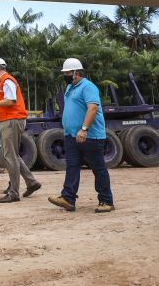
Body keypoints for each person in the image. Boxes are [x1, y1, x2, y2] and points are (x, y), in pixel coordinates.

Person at [47, 58, 114, 213]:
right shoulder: (70, 88)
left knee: (98, 168)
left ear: (77, 72)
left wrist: (84, 129)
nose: (66, 75)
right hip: (71, 135)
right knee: (72, 167)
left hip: (89, 136)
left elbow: (92, 108)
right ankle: (68, 198)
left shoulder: (88, 87)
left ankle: (106, 200)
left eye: (68, 72)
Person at [0, 58, 41, 203]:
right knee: (14, 155)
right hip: (10, 119)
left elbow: (11, 101)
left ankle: (14, 192)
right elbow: (6, 103)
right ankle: (31, 182)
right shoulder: (3, 82)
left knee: (10, 156)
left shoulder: (7, 80)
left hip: (11, 120)